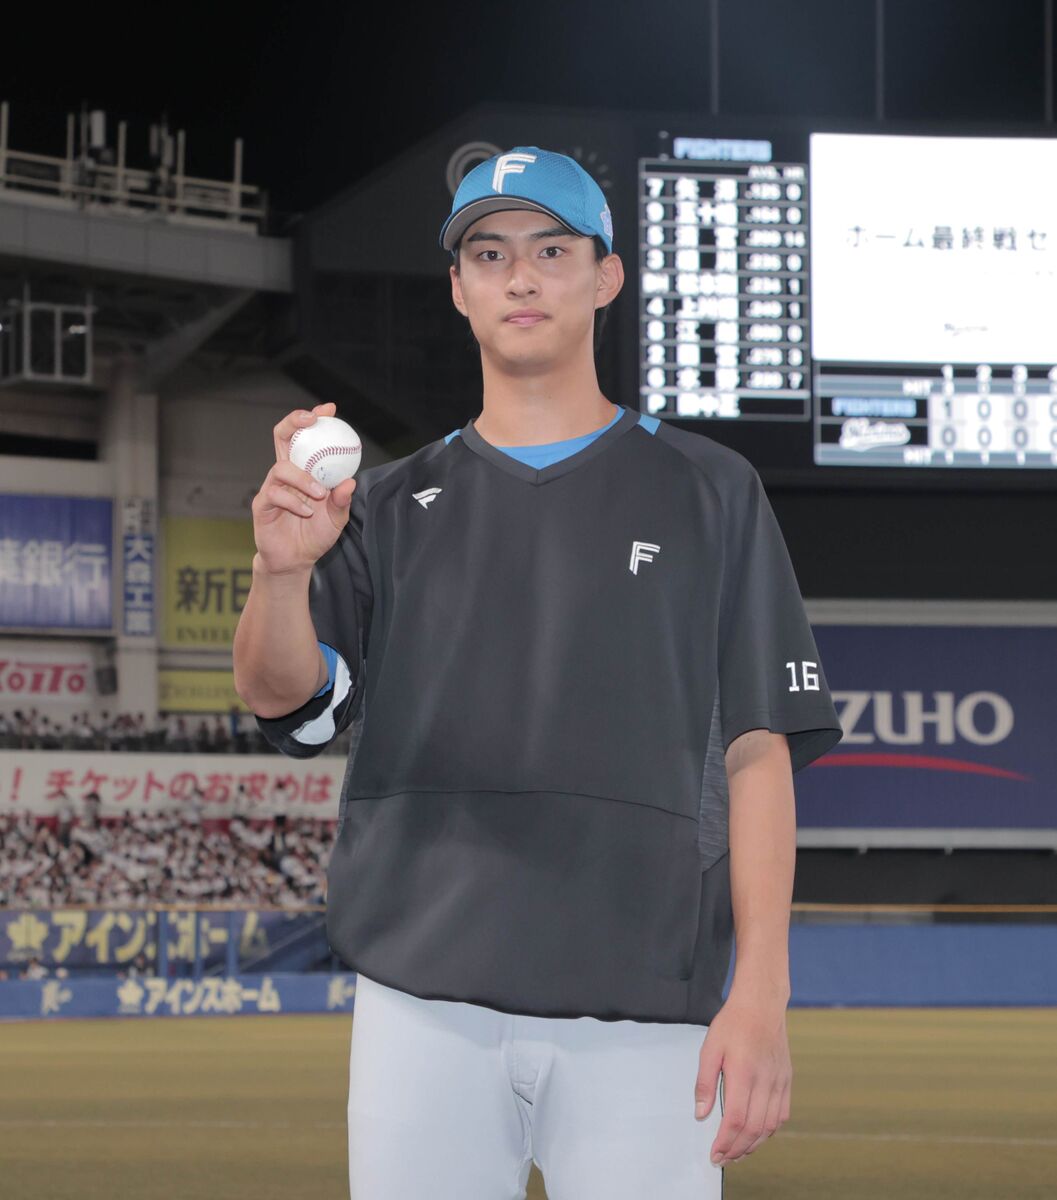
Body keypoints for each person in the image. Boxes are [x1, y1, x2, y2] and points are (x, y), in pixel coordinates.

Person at [233, 145, 844, 1200]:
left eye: (551, 250)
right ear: (459, 289)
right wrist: (280, 572)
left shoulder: (712, 491)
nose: (519, 275)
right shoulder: (383, 506)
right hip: (421, 1001)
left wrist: (763, 994)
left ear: (606, 277)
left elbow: (758, 751)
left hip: (646, 1004)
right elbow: (290, 704)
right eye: (489, 253)